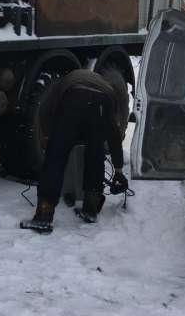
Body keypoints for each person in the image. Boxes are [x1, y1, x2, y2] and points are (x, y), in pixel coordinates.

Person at [20, 69, 129, 233]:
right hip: (101, 104)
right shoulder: (108, 92)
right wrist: (118, 170)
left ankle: (44, 215)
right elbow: (114, 136)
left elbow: (45, 111)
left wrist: (48, 138)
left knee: (55, 158)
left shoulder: (64, 82)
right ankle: (90, 210)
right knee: (95, 155)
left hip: (74, 98)